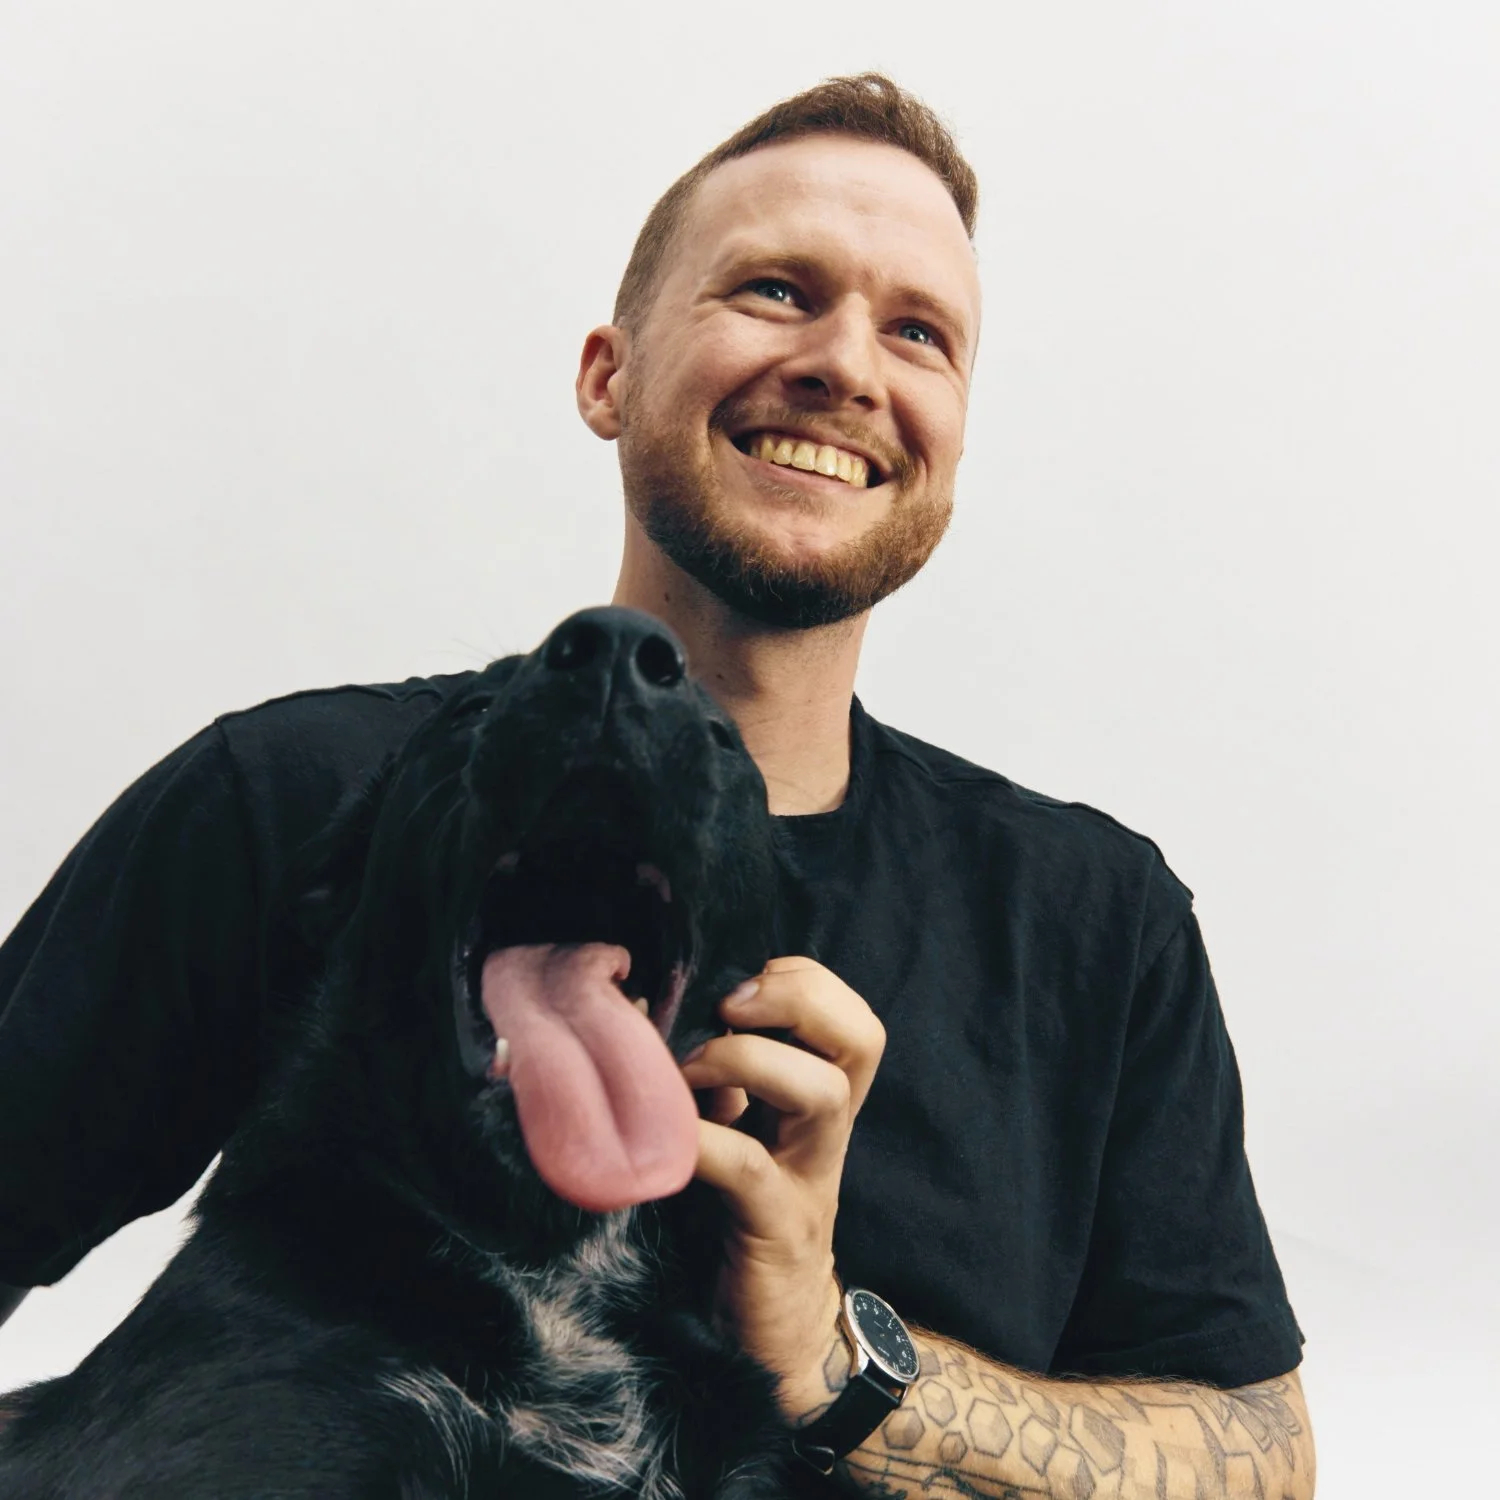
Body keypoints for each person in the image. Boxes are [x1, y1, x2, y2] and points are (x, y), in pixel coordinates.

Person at [0, 74, 1313, 1497]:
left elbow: (1263, 1457)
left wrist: (834, 1357)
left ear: (950, 443)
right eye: (773, 289)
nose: (846, 366)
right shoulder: (287, 797)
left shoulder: (1092, 922)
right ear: (608, 375)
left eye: (918, 332)